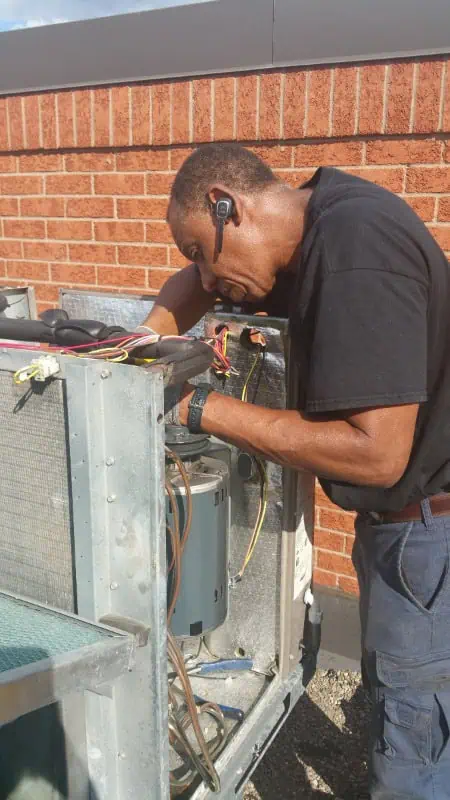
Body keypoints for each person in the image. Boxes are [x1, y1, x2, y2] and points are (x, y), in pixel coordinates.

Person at [141, 142, 450, 799]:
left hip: (427, 531)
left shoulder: (355, 246)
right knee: (401, 696)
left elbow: (377, 451)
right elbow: (188, 290)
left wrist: (202, 408)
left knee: (413, 748)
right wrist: (135, 352)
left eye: (199, 250)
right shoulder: (310, 231)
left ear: (229, 207)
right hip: (402, 529)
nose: (202, 278)